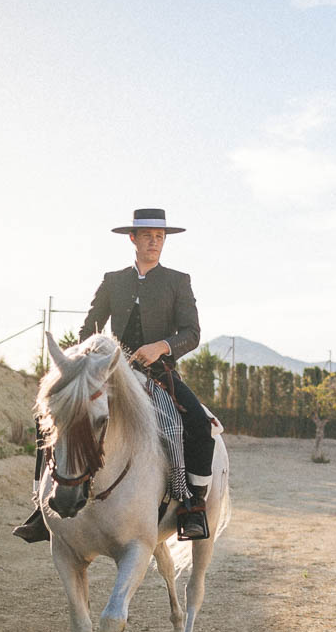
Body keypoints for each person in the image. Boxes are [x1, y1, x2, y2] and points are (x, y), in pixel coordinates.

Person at [13, 208, 214, 542]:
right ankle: (39, 506)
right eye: (148, 236)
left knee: (199, 426)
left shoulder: (178, 281)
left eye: (160, 237)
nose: (154, 242)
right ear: (132, 239)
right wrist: (81, 362)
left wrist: (162, 346)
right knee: (47, 416)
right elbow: (89, 324)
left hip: (158, 373)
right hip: (106, 373)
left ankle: (191, 505)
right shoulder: (113, 281)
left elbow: (191, 333)